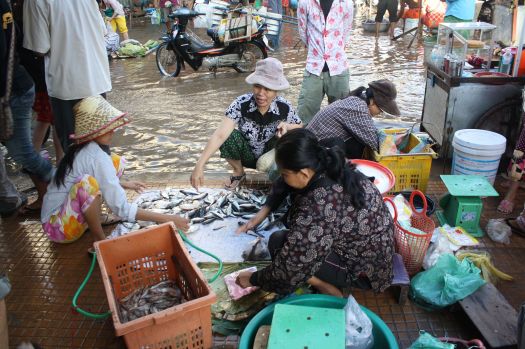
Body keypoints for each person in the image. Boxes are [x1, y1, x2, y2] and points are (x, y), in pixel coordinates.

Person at [236, 129, 395, 296]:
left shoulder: (320, 205)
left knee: (279, 243)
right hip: (375, 249)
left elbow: (289, 270)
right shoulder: (324, 158)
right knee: (293, 239)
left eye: (284, 173)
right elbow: (283, 183)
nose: (282, 177)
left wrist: (252, 279)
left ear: (304, 173)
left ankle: (330, 290)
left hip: (365, 270)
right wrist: (259, 216)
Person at [41, 96, 189, 248]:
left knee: (116, 161)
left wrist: (123, 184)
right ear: (93, 131)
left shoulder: (84, 147)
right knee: (87, 185)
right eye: (106, 127)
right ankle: (99, 240)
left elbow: (103, 176)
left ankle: (94, 218)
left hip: (62, 216)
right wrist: (166, 218)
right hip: (57, 229)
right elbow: (121, 208)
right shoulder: (95, 156)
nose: (112, 131)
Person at [190, 58, 302, 190]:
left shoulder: (284, 107)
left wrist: (287, 126)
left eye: (268, 89)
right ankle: (238, 172)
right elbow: (220, 135)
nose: (261, 93)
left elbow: (299, 126)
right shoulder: (240, 103)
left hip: (270, 157)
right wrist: (199, 165)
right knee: (228, 135)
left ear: (276, 91)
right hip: (246, 154)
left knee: (290, 141)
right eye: (257, 86)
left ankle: (278, 176)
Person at [23, 0, 112, 151]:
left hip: (66, 87)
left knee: (74, 155)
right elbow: (102, 31)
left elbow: (40, 47)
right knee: (100, 150)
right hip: (97, 81)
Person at [1, 0, 53, 211]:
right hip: (22, 84)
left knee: (24, 152)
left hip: (14, 90)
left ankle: (66, 185)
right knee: (29, 148)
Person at [306, 79, 401, 159]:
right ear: (372, 101)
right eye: (381, 110)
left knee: (359, 141)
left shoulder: (356, 101)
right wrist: (395, 144)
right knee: (361, 143)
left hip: (314, 143)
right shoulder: (358, 108)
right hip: (310, 152)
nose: (380, 113)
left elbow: (369, 131)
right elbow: (375, 143)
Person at [296, 0, 353, 125]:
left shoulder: (346, 3)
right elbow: (303, 31)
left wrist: (333, 52)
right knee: (304, 115)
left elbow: (346, 32)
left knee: (343, 117)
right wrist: (316, 50)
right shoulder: (305, 2)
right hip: (314, 67)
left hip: (339, 67)